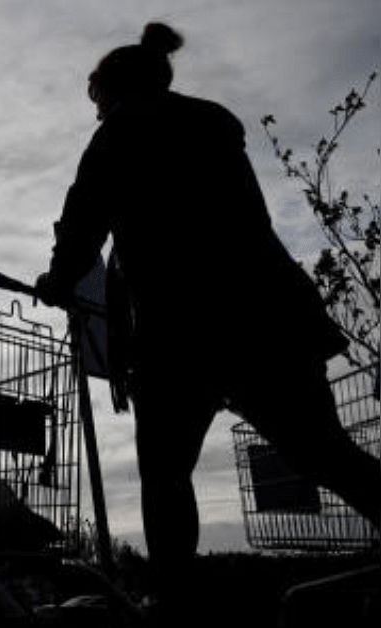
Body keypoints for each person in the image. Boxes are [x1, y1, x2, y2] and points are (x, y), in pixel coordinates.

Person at [34, 21, 381, 625]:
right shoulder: (215, 129)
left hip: (184, 331)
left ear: (114, 92)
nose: (96, 116)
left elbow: (83, 222)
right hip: (272, 317)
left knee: (165, 475)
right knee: (328, 453)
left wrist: (57, 282)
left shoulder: (120, 133)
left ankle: (175, 604)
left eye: (96, 102)